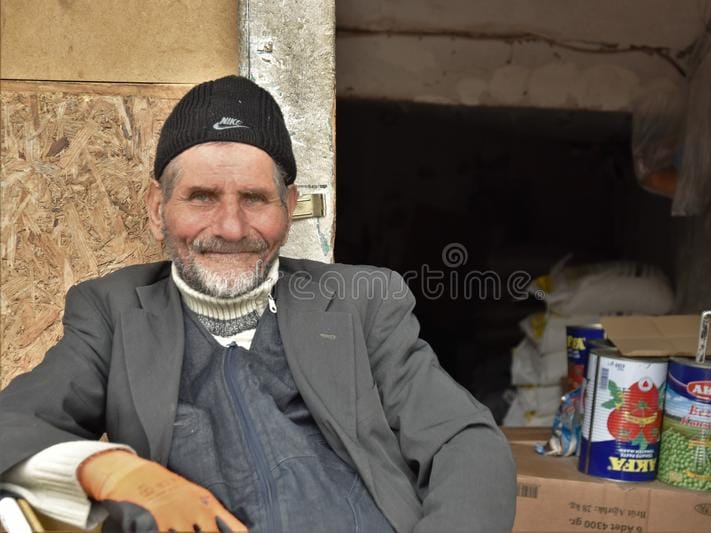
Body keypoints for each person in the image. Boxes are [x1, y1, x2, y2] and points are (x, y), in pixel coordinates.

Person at [0, 75, 517, 532]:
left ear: (288, 208)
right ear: (159, 208)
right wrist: (113, 469)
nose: (230, 228)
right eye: (202, 197)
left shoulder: (361, 302)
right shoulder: (112, 311)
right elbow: (15, 424)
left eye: (254, 199)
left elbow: (464, 441)